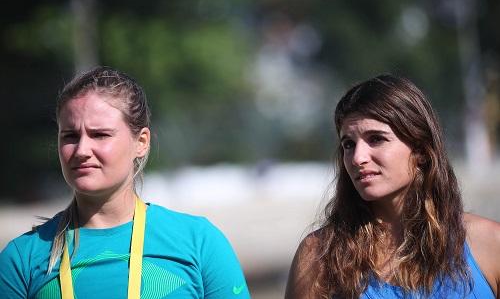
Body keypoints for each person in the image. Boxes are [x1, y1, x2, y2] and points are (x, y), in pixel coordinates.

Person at [0, 66, 250, 299]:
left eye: (100, 135)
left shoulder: (199, 242)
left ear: (141, 142)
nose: (82, 150)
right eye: (70, 136)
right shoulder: (22, 258)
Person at [285, 74, 500, 299]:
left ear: (420, 150)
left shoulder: (490, 245)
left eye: (376, 139)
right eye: (348, 144)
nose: (358, 157)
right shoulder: (320, 256)